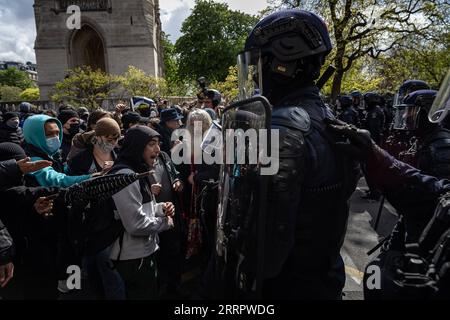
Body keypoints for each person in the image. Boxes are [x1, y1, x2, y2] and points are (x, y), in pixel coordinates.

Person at [217, 8, 361, 300]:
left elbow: (267, 248)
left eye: (259, 63)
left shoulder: (283, 125)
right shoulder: (324, 115)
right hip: (320, 274)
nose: (255, 77)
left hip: (285, 286)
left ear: (282, 63)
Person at [109, 126, 175, 299]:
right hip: (132, 258)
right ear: (137, 146)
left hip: (143, 253)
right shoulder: (125, 176)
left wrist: (160, 209)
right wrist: (165, 222)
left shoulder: (137, 171)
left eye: (159, 144)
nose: (158, 149)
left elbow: (140, 208)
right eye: (151, 144)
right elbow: (135, 224)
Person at [22, 114, 94, 188]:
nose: (56, 137)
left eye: (57, 133)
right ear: (35, 135)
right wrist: (90, 177)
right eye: (49, 134)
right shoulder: (32, 159)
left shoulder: (53, 153)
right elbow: (57, 180)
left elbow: (63, 171)